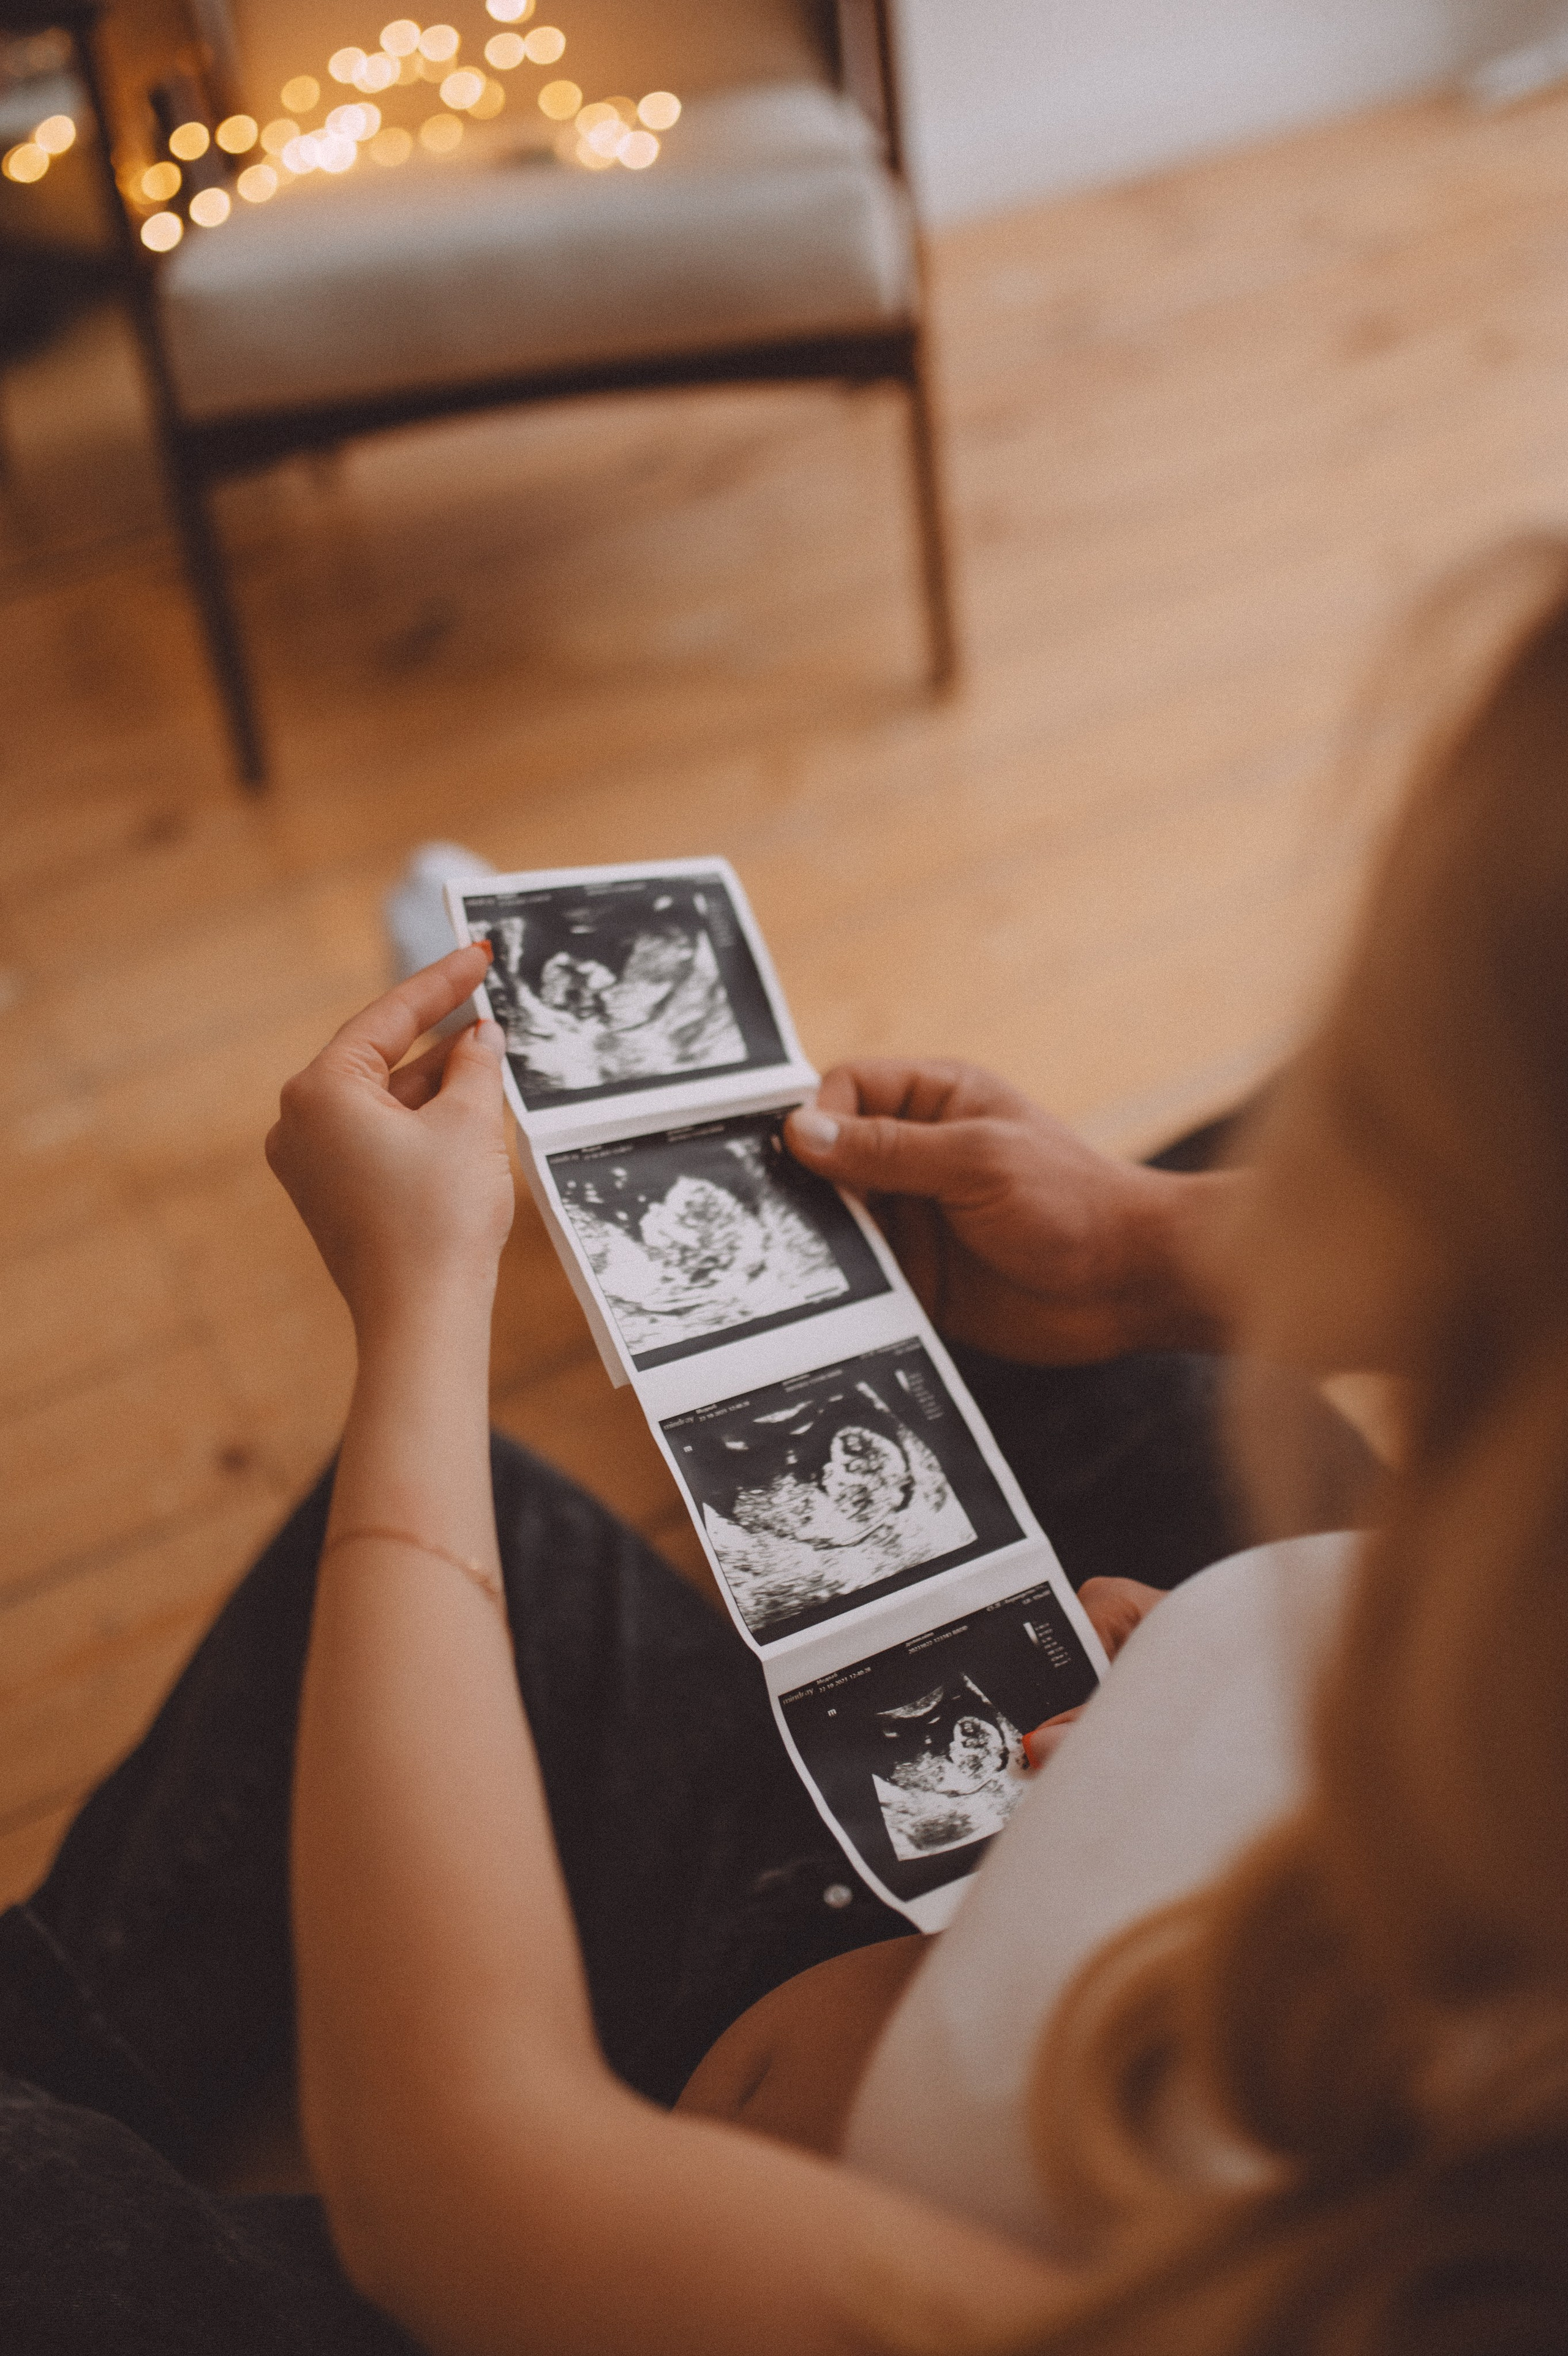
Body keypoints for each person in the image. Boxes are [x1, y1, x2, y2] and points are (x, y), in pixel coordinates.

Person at [2, 535, 1565, 2353]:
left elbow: (463, 2176)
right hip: (888, 1925)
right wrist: (1137, 1260)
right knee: (948, 1416)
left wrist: (418, 1314)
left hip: (577, 2246)